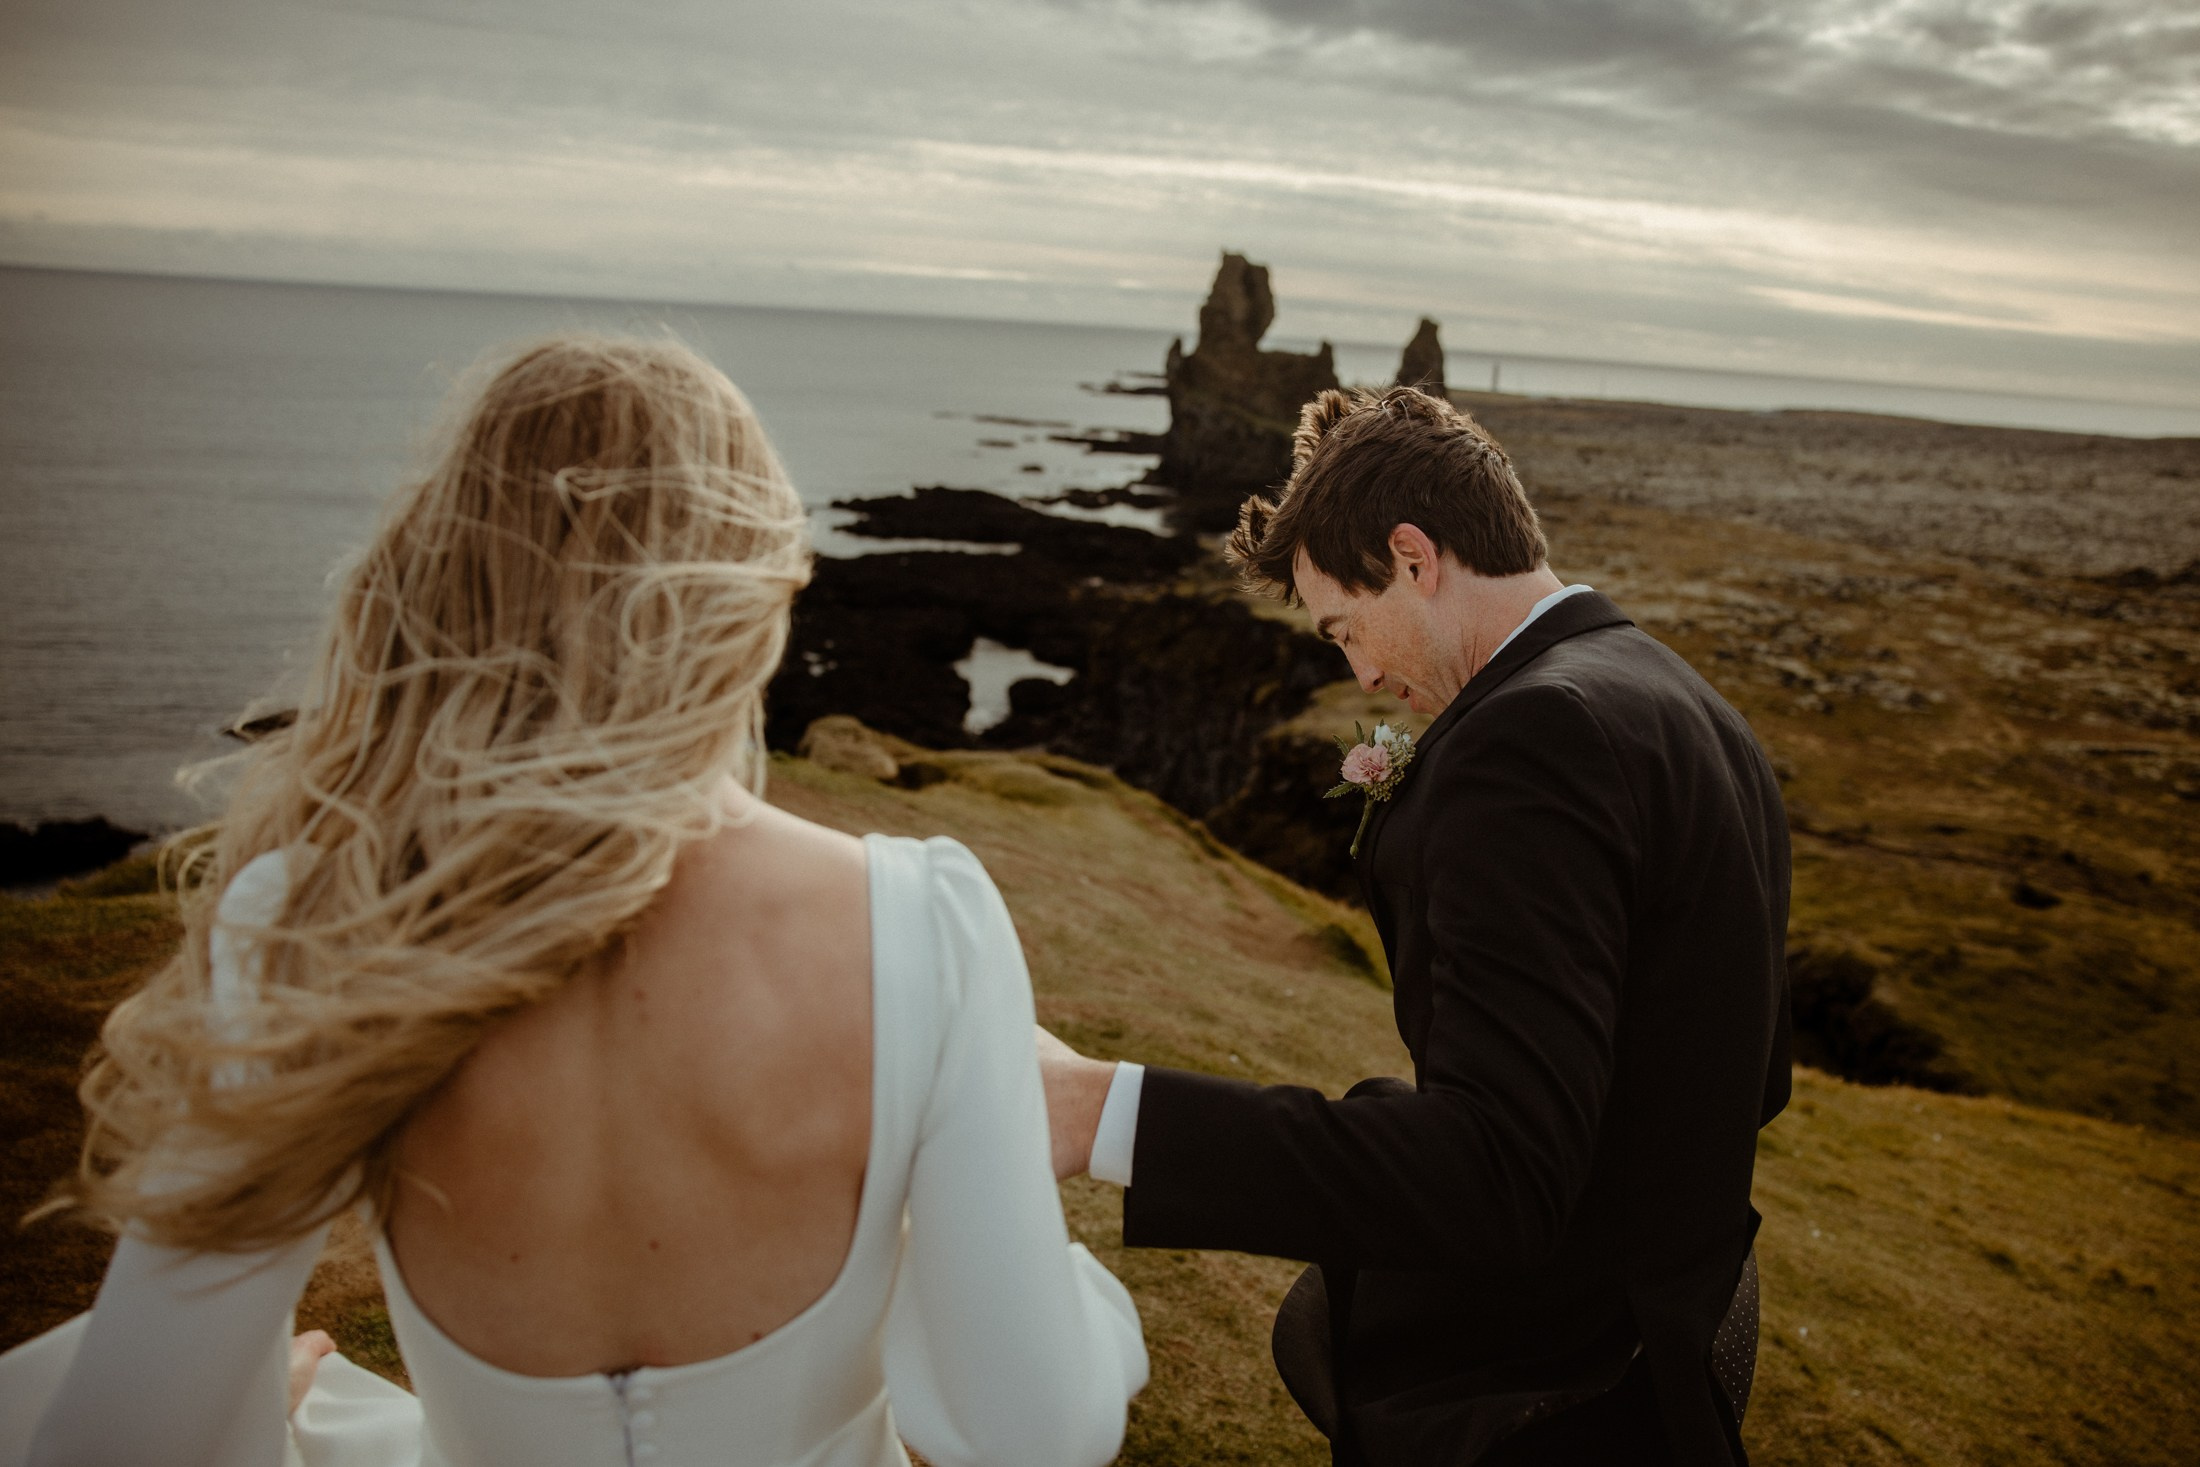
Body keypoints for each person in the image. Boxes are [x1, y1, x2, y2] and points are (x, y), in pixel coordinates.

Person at [0, 336, 1146, 1467]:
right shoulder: (920, 923)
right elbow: (1032, 1434)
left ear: (444, 575)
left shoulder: (308, 916)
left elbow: (123, 1438)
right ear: (756, 592)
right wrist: (1077, 1293)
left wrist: (261, 1412)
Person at [1038, 386, 1790, 1465]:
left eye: (1344, 628)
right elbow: (1748, 1077)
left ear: (1412, 555)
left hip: (1563, 1389)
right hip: (1685, 1328)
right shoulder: (1683, 700)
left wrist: (1100, 1112)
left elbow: (1494, 1179)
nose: (1365, 674)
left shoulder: (1530, 740)